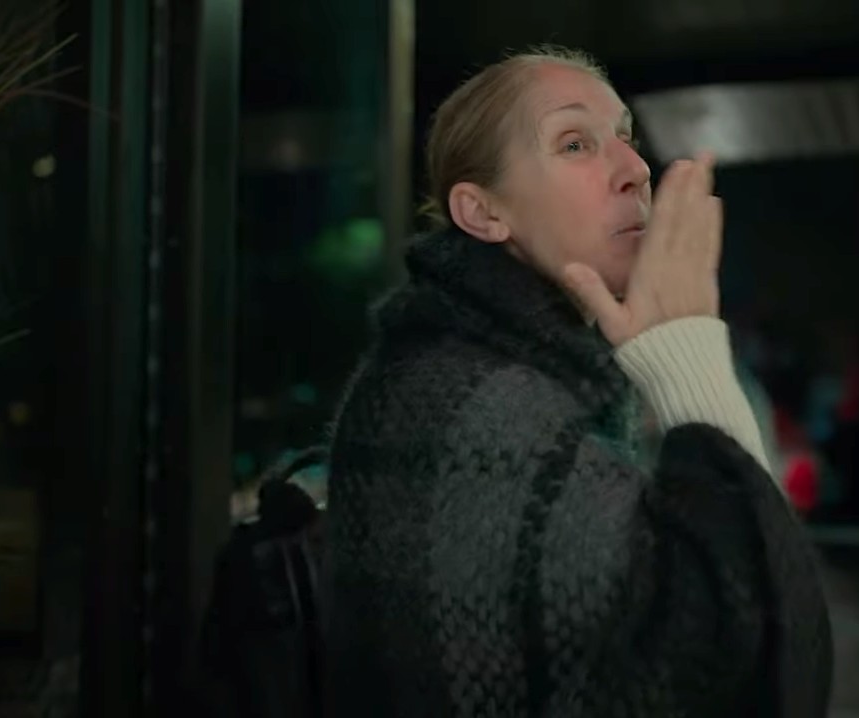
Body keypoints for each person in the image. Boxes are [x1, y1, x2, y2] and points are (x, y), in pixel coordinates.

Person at [322, 46, 832, 717]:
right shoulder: (471, 407)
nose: (635, 169)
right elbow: (755, 661)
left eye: (625, 137)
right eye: (574, 143)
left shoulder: (486, 363)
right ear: (483, 213)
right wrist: (688, 351)